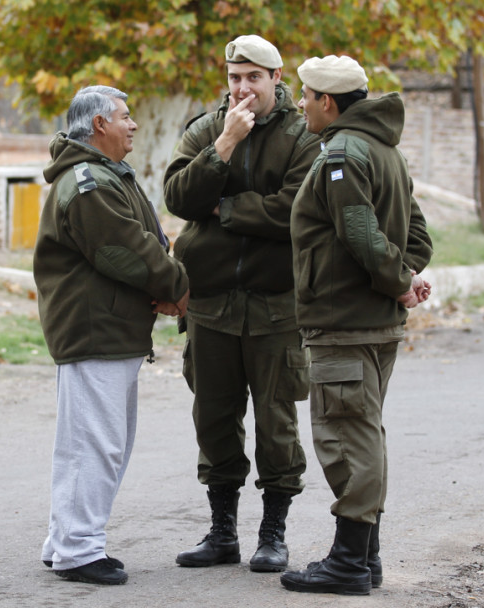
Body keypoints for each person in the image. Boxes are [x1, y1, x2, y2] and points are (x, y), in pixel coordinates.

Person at [164, 35, 320, 572]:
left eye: (254, 76)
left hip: (277, 306)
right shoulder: (207, 130)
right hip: (209, 305)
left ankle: (273, 533)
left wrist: (223, 209)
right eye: (234, 77)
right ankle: (222, 531)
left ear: (279, 78)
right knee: (214, 418)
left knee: (276, 422)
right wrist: (225, 145)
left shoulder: (302, 136)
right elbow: (180, 198)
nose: (242, 87)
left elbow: (296, 211)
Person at [280, 55, 433, 595]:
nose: (300, 105)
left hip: (344, 320)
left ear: (327, 102)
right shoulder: (386, 149)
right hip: (372, 322)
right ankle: (365, 560)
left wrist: (396, 280)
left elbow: (359, 232)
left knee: (346, 436)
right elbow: (418, 235)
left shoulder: (343, 151)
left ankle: (347, 563)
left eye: (305, 97)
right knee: (364, 433)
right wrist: (406, 275)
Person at [34, 85, 190, 585]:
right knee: (94, 444)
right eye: (125, 117)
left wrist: (167, 284)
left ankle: (66, 541)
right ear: (99, 124)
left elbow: (143, 242)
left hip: (110, 328)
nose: (134, 125)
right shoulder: (88, 182)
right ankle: (78, 549)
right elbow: (125, 251)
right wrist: (178, 288)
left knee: (94, 441)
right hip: (94, 328)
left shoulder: (101, 175)